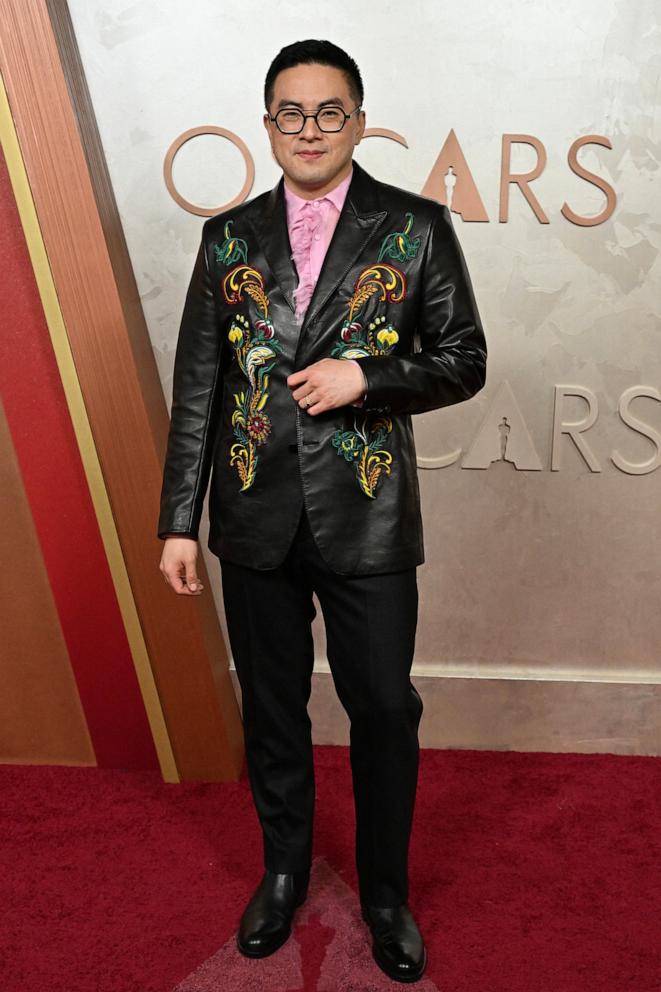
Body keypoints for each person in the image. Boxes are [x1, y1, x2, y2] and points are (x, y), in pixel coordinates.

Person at [158, 39, 487, 984]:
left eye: (328, 111)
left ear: (358, 120)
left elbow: (463, 359)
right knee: (271, 709)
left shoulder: (415, 227)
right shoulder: (226, 239)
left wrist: (366, 376)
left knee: (383, 706)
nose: (310, 129)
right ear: (268, 126)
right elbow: (198, 391)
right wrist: (180, 520)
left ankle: (385, 893)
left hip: (369, 513)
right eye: (291, 114)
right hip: (252, 516)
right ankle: (283, 871)